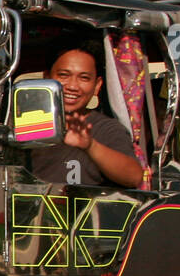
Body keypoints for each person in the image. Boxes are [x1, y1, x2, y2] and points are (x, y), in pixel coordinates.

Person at [31, 48, 144, 188]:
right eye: (63, 75)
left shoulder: (106, 128)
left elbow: (134, 177)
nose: (72, 86)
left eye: (84, 78)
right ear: (47, 78)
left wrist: (90, 145)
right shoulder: (27, 123)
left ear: (97, 86)